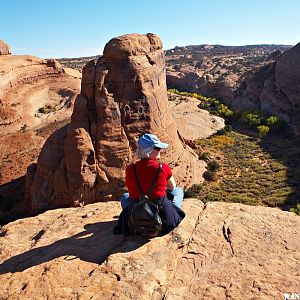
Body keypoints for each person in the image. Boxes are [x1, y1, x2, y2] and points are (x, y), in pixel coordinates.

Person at [114, 133, 185, 235]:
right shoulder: (163, 168)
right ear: (149, 150)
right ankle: (170, 211)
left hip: (137, 212)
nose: (160, 150)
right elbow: (172, 187)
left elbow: (131, 190)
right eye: (158, 148)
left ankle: (141, 216)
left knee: (125, 197)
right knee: (178, 191)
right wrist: (160, 191)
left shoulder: (130, 169)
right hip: (161, 218)